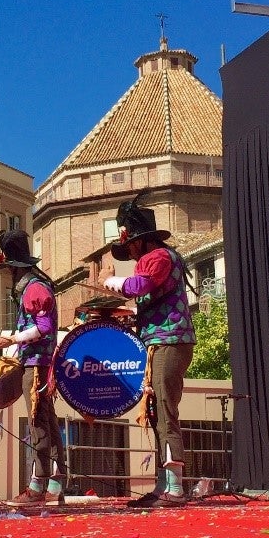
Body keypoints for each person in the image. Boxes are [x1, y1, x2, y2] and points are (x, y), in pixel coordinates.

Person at [99, 192, 197, 507]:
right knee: (157, 412)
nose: (127, 249)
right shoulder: (156, 259)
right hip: (160, 341)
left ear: (139, 240)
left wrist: (110, 281)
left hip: (170, 341)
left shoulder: (158, 258)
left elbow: (137, 287)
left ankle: (176, 488)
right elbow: (147, 296)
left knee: (165, 408)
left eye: (128, 244)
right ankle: (162, 485)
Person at [0, 228, 67, 506]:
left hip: (36, 363)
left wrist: (12, 338)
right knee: (47, 421)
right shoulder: (34, 285)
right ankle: (56, 482)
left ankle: (38, 486)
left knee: (38, 423)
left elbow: (43, 327)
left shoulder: (33, 288)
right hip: (35, 361)